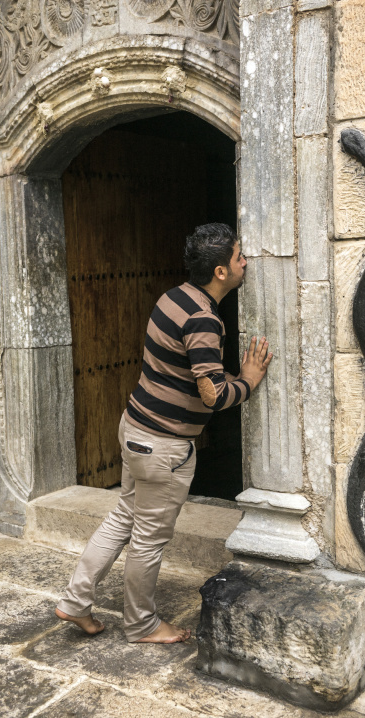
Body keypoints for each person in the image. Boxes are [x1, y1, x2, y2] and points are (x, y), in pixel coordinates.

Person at [55, 223, 273, 644]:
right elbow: (212, 395)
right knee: (149, 540)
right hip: (163, 446)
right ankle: (142, 624)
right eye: (239, 256)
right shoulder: (204, 320)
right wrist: (248, 380)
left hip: (134, 427)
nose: (246, 261)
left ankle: (75, 601)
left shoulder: (172, 297)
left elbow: (185, 372)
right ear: (221, 271)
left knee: (123, 516)